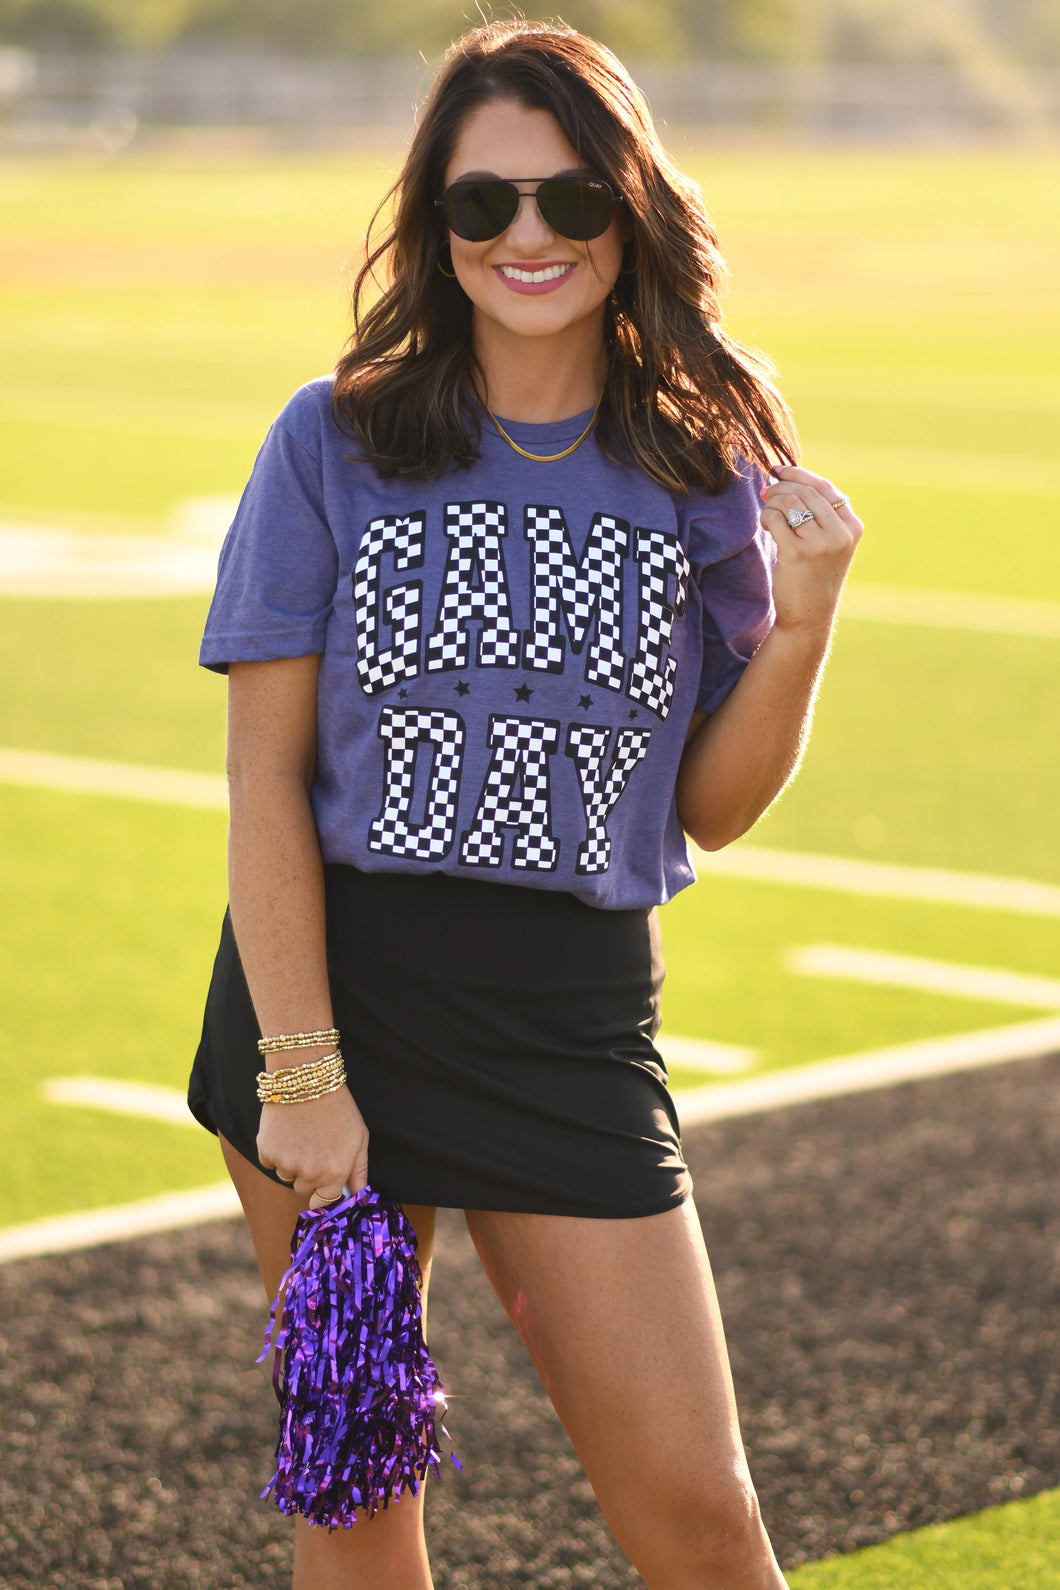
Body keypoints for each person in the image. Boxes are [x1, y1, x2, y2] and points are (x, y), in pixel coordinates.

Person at [189, 19, 862, 1590]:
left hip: (568, 1013)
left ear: (630, 213)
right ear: (437, 225)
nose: (529, 237)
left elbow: (713, 803)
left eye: (569, 199)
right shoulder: (334, 438)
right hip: (334, 998)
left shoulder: (699, 470)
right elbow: (262, 782)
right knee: (357, 1504)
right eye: (483, 205)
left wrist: (810, 615)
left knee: (702, 1518)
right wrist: (304, 1071)